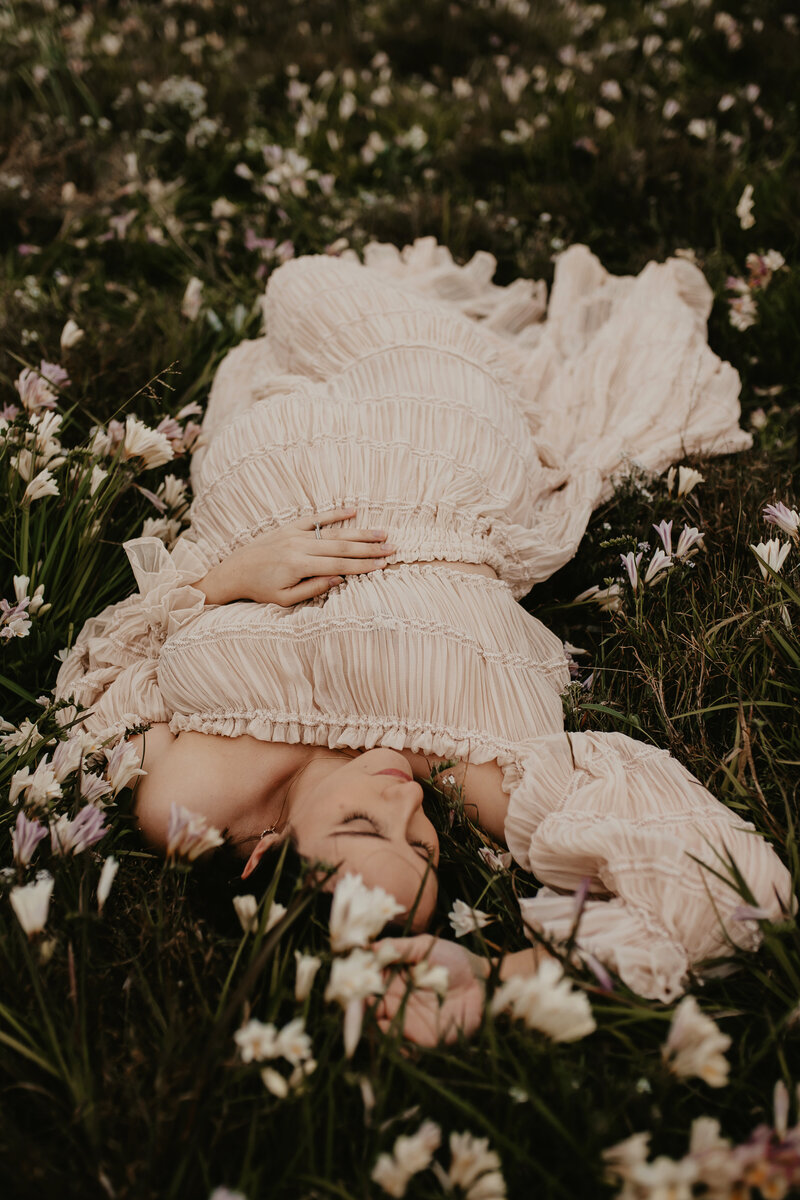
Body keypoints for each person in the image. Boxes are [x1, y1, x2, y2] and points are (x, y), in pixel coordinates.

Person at [55, 236, 795, 1017]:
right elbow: (735, 896)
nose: (406, 803)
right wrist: (499, 977)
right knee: (303, 291)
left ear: (263, 858)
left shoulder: (184, 806)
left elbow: (107, 662)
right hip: (436, 444)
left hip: (262, 484)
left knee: (289, 296)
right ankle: (475, 356)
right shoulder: (469, 768)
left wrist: (225, 580)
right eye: (421, 847)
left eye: (364, 827)